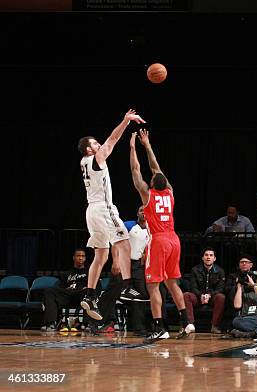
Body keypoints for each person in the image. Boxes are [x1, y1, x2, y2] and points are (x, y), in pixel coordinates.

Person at [78, 109, 147, 321]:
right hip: (104, 208)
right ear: (89, 149)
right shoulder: (95, 158)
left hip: (91, 211)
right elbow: (112, 140)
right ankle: (127, 287)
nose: (99, 145)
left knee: (101, 256)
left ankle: (89, 295)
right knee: (124, 242)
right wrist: (126, 121)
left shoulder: (83, 163)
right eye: (95, 144)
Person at [129, 129, 194, 343]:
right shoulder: (170, 192)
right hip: (174, 239)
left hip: (158, 240)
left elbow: (136, 170)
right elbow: (155, 168)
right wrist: (147, 144)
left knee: (153, 286)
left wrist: (132, 147)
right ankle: (187, 322)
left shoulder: (147, 195)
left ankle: (160, 327)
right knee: (172, 283)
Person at [95, 207, 150, 335]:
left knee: (139, 295)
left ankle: (139, 328)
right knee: (113, 292)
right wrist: (115, 261)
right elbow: (116, 242)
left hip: (138, 266)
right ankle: (107, 323)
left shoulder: (151, 229)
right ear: (137, 213)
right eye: (141, 210)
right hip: (123, 263)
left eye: (146, 210)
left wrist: (146, 255)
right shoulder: (128, 225)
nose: (143, 212)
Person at [41, 249, 89, 331]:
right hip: (67, 296)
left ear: (85, 258)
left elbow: (97, 287)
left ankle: (88, 324)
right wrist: (65, 289)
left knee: (89, 291)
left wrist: (86, 288)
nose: (80, 258)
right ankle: (51, 323)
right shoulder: (67, 273)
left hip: (81, 296)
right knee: (49, 291)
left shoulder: (89, 272)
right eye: (78, 256)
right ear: (74, 258)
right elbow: (60, 288)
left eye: (83, 256)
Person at [184, 247, 226, 333]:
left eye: (211, 255)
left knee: (221, 297)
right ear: (202, 258)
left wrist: (209, 295)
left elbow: (220, 288)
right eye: (206, 255)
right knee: (186, 295)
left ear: (214, 258)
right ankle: (190, 325)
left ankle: (215, 325)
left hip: (212, 297)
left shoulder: (220, 271)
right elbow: (193, 287)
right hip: (198, 296)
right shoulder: (195, 270)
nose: (208, 257)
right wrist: (201, 295)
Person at [230, 254, 257, 338]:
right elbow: (237, 305)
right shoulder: (248, 291)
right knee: (236, 321)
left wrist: (254, 286)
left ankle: (249, 334)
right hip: (247, 318)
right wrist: (240, 285)